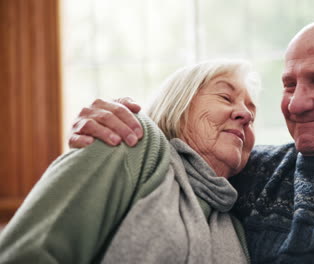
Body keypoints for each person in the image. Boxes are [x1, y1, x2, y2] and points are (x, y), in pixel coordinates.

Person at [67, 17, 314, 263]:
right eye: (288, 84)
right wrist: (115, 121)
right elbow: (177, 149)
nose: (295, 104)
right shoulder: (254, 169)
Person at [0, 59, 260, 263]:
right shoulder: (133, 138)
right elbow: (32, 252)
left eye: (252, 112)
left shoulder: (234, 218)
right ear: (178, 106)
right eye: (225, 97)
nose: (246, 114)